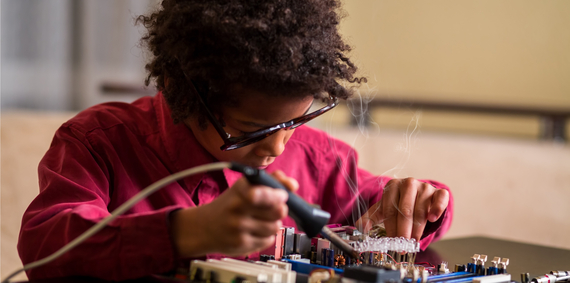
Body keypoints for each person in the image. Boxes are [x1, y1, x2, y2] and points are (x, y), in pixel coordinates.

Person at [18, 0, 453, 281]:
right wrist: (185, 233)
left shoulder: (318, 159)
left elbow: (385, 206)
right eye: (251, 130)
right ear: (179, 89)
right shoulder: (99, 142)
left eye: (295, 122)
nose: (278, 148)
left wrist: (419, 205)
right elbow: (46, 248)